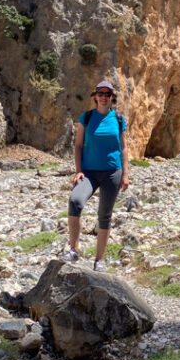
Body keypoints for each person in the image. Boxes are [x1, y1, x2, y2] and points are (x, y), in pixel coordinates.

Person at [62, 80, 129, 271]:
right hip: (89, 172)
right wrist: (78, 171)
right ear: (95, 97)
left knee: (104, 216)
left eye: (107, 94)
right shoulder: (87, 117)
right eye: (100, 94)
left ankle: (99, 260)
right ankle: (74, 249)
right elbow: (78, 145)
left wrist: (125, 174)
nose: (103, 97)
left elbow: (123, 148)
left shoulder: (118, 119)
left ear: (112, 98)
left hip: (112, 172)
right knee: (75, 201)